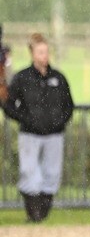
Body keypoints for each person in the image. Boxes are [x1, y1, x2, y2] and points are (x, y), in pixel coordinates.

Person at [2, 34, 74, 222]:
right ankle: (33, 213)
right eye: (40, 52)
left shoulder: (58, 78)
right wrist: (25, 119)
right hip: (30, 134)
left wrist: (60, 121)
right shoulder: (22, 78)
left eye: (46, 51)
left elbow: (68, 104)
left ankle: (43, 213)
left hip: (54, 134)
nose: (44, 55)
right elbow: (8, 104)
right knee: (30, 171)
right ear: (32, 53)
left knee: (52, 172)